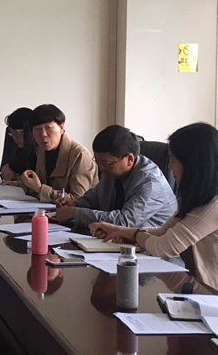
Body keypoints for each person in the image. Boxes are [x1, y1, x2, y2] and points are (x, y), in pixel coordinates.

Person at [90, 123, 218, 290]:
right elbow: (161, 232)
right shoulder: (197, 198)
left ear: (192, 164)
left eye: (173, 160)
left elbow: (162, 248)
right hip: (196, 285)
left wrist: (135, 235)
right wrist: (119, 231)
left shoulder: (212, 205)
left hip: (210, 293)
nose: (169, 166)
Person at [55, 125, 176, 228]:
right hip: (119, 240)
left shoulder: (150, 183)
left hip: (152, 245)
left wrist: (75, 213)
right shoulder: (111, 172)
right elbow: (95, 198)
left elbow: (124, 222)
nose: (101, 168)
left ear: (129, 159)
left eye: (106, 163)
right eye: (98, 162)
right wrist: (75, 203)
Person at [19, 104, 98, 202]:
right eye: (37, 129)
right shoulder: (41, 150)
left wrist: (40, 189)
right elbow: (39, 183)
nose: (43, 134)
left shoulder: (80, 155)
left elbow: (78, 199)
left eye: (48, 128)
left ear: (61, 127)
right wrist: (18, 184)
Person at [0, 107, 36, 181]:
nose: (14, 137)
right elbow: (6, 167)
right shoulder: (22, 151)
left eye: (18, 133)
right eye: (12, 133)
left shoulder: (41, 153)